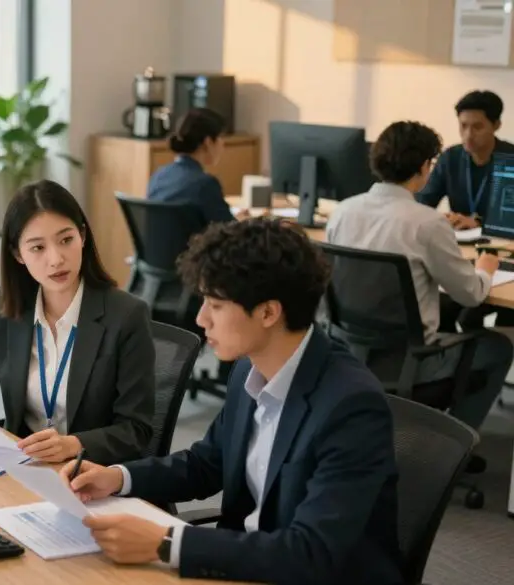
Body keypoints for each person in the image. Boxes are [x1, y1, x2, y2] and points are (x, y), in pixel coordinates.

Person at [59, 218, 403, 585]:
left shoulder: (350, 407)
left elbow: (311, 553)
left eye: (216, 304)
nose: (200, 318)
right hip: (244, 566)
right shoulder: (248, 370)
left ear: (269, 312)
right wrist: (118, 477)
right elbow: (207, 464)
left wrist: (167, 543)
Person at [0, 180, 155, 465]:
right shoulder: (8, 306)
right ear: (18, 254)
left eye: (66, 240)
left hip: (90, 472)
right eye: (37, 248)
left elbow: (137, 430)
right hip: (24, 464)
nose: (56, 259)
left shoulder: (126, 315)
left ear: (82, 236)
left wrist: (72, 445)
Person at [328, 120, 511, 439]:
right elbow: (471, 294)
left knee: (445, 310)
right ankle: (454, 449)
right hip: (409, 363)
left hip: (350, 353)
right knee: (497, 347)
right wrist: (485, 266)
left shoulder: (343, 212)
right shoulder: (426, 224)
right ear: (426, 167)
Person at [416, 90, 514, 228]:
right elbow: (423, 201)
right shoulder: (450, 158)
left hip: (501, 243)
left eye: (477, 127)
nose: (468, 135)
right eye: (463, 126)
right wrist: (438, 218)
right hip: (458, 240)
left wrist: (479, 223)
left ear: (496, 125)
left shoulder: (510, 158)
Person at [146, 108, 249, 223]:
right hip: (196, 241)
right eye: (220, 138)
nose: (223, 144)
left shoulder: (158, 176)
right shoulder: (206, 184)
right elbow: (228, 231)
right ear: (208, 142)